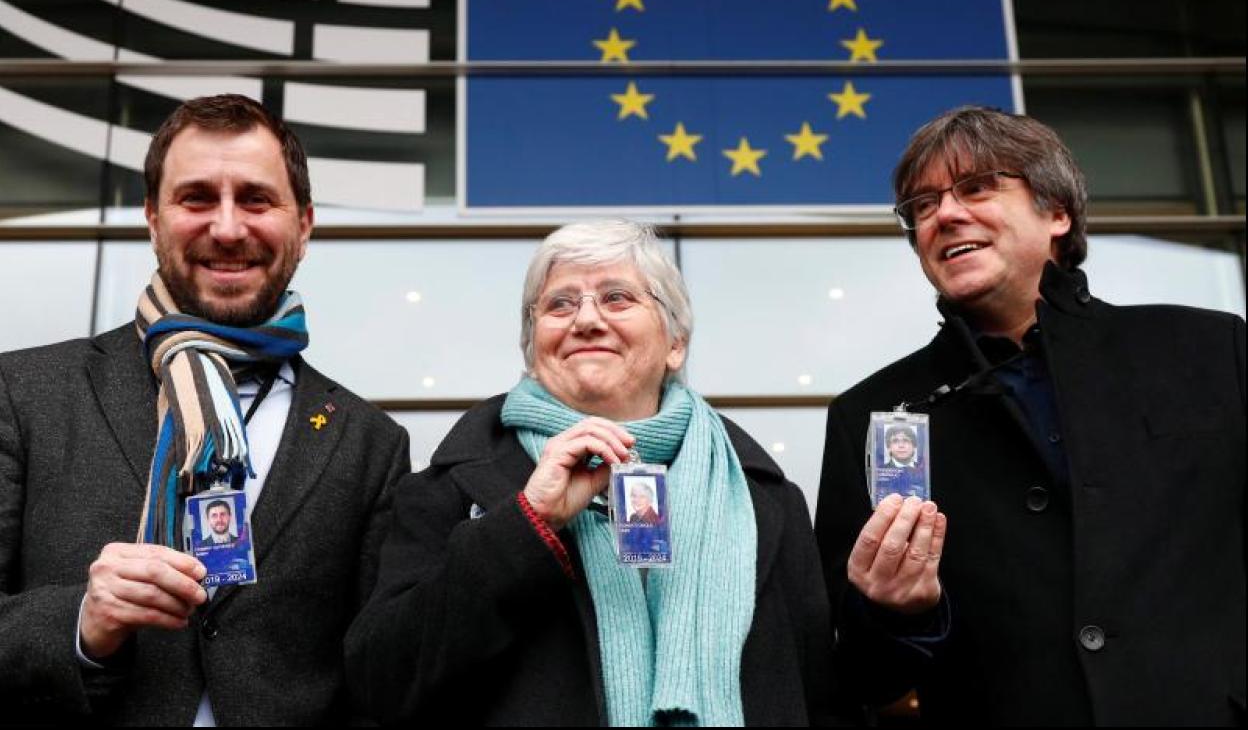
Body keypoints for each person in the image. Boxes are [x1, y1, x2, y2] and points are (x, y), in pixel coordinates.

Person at [815, 105, 1246, 725]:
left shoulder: (1210, 351)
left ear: (1057, 213)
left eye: (976, 188)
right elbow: (863, 676)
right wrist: (896, 612)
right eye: (923, 205)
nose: (945, 215)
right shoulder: (871, 415)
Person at [0, 94, 410, 724]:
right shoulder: (24, 392)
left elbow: (378, 676)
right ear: (152, 218)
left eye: (255, 199)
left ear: (303, 225)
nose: (227, 228)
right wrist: (81, 622)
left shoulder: (368, 443)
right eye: (196, 199)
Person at [347, 220, 839, 725]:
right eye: (559, 304)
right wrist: (526, 522)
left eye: (616, 298)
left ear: (676, 343)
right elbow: (381, 683)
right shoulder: (447, 489)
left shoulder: (763, 498)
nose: (586, 320)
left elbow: (821, 699)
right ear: (532, 348)